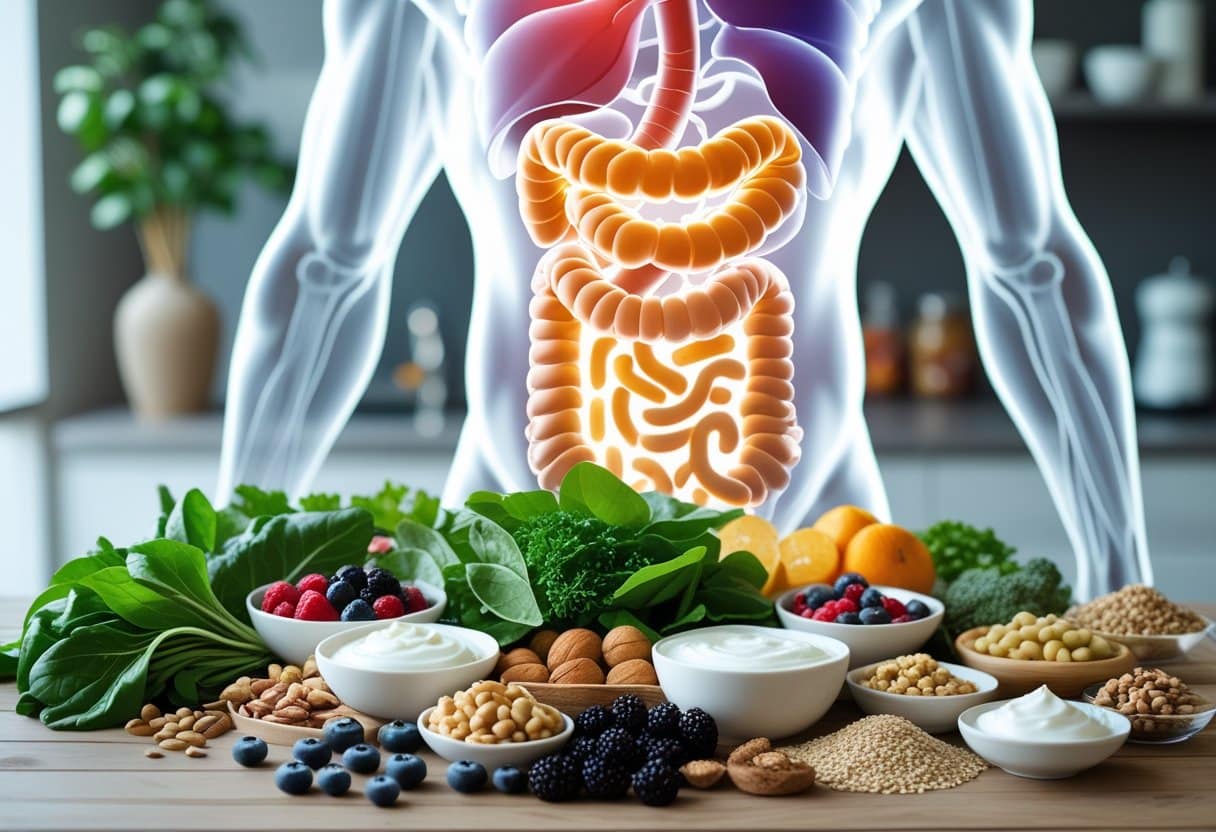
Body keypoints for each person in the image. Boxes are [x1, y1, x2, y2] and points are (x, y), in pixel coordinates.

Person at [218, 0, 1151, 599]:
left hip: (813, 562)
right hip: (505, 561)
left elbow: (1030, 261)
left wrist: (1125, 583)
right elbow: (325, 263)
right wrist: (231, 572)